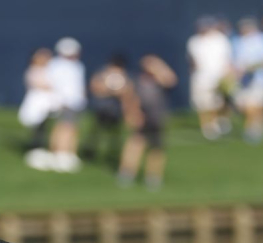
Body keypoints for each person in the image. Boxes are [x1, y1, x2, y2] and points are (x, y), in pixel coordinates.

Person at [117, 55, 177, 190]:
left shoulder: (160, 80)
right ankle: (127, 173)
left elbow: (171, 80)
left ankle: (153, 177)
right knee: (135, 144)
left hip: (157, 118)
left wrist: (159, 66)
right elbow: (128, 98)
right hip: (141, 117)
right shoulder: (137, 81)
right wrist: (131, 115)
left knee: (156, 149)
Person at [233, 17, 263, 143]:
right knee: (244, 105)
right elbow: (238, 63)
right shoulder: (241, 42)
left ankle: (254, 130)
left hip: (262, 79)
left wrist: (254, 66)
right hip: (244, 80)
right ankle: (253, 127)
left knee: (257, 105)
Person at [187, 16, 232, 139]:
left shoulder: (221, 39)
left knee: (217, 103)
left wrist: (227, 74)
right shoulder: (193, 41)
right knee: (202, 104)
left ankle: (215, 123)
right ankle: (206, 127)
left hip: (218, 77)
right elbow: (193, 62)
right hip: (200, 78)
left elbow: (227, 59)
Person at [46, 37, 86, 173]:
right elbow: (53, 84)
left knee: (72, 128)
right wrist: (56, 100)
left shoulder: (78, 66)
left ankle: (69, 153)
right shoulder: (55, 64)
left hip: (76, 102)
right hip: (62, 101)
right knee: (63, 127)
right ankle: (59, 154)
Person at [85, 54, 130, 166]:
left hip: (115, 110)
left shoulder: (124, 76)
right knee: (96, 133)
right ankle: (89, 153)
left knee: (115, 135)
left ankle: (113, 154)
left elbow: (126, 92)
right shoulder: (102, 74)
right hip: (101, 108)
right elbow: (95, 88)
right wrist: (111, 90)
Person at [19, 47, 55, 167]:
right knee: (38, 128)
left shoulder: (50, 71)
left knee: (44, 128)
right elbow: (40, 85)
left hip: (48, 104)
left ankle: (41, 150)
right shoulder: (33, 70)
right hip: (37, 105)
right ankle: (35, 151)